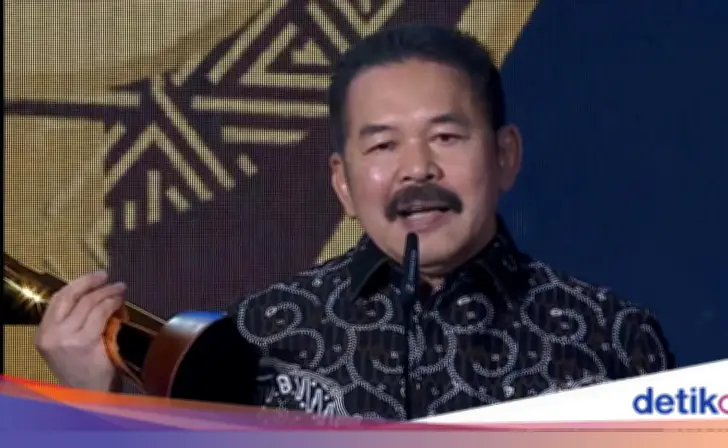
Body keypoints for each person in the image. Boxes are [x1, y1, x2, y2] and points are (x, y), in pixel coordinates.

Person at [35, 24, 675, 420]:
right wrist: (94, 404)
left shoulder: (613, 339)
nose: (417, 168)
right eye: (383, 145)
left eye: (446, 137)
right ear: (342, 183)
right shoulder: (258, 338)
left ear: (505, 156)